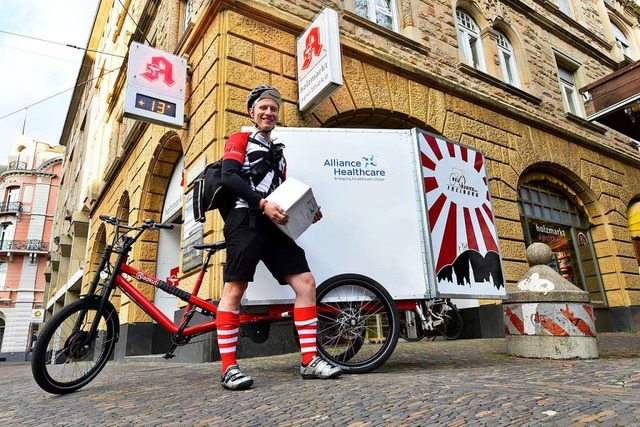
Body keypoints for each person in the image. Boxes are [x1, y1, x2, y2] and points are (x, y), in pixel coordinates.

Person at [217, 85, 343, 390]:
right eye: (263, 107)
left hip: (273, 225)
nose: (268, 112)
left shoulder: (280, 155)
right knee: (235, 289)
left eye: (273, 108)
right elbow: (229, 176)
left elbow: (281, 197)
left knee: (306, 283)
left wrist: (306, 211)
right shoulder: (240, 139)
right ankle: (228, 369)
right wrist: (261, 204)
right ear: (252, 112)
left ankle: (309, 361)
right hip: (244, 219)